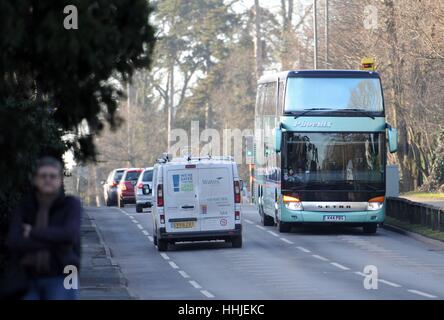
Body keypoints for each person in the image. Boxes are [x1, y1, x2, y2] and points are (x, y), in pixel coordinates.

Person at [7, 156, 82, 300]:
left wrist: (32, 232)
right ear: (35, 179)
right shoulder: (25, 206)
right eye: (43, 176)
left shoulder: (71, 205)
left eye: (52, 176)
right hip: (28, 274)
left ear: (60, 180)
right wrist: (57, 241)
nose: (48, 179)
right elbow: (14, 241)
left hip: (67, 271)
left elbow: (70, 235)